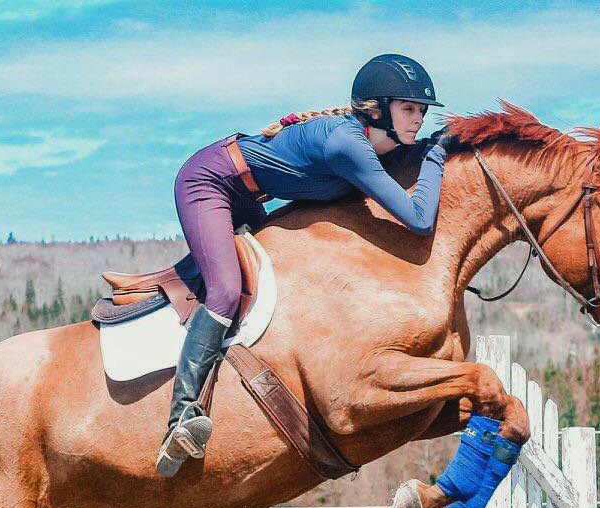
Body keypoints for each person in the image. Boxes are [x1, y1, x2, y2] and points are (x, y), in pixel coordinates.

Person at [157, 53, 449, 477]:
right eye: (409, 109)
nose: (418, 119)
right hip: (210, 182)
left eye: (422, 111)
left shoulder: (369, 142)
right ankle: (181, 417)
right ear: (378, 110)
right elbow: (420, 219)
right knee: (224, 289)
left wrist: (429, 148)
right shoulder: (347, 145)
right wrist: (437, 157)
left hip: (249, 194)